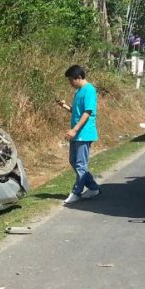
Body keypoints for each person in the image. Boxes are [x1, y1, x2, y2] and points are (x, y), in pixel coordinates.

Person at [56, 65, 100, 204]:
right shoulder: (79, 91)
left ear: (79, 78)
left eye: (71, 80)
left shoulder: (89, 90)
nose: (70, 83)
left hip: (84, 133)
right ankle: (93, 187)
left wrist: (74, 130)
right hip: (76, 133)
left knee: (81, 164)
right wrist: (65, 106)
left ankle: (76, 192)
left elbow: (87, 113)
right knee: (73, 161)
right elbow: (77, 111)